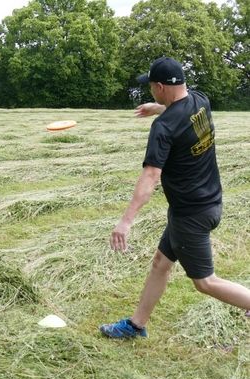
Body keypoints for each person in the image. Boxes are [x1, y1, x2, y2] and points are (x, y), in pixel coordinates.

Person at [100, 56, 250, 339]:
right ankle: (136, 325)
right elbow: (179, 110)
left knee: (205, 282)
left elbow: (150, 177)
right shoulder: (200, 100)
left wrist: (125, 222)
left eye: (151, 88)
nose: (150, 92)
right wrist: (157, 108)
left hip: (191, 214)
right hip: (208, 201)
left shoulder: (164, 128)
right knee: (161, 261)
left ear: (159, 86)